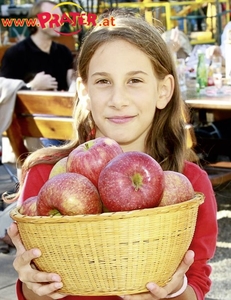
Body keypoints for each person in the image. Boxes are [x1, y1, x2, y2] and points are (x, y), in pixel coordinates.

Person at [6, 9, 217, 300]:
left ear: (163, 91)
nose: (118, 100)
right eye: (103, 81)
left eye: (135, 81)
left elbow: (196, 282)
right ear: (84, 90)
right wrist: (33, 285)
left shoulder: (188, 188)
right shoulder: (46, 178)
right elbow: (32, 291)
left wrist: (173, 292)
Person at [0, 0, 74, 91]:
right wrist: (32, 86)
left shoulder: (64, 52)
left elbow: (72, 84)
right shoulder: (15, 54)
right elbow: (4, 93)